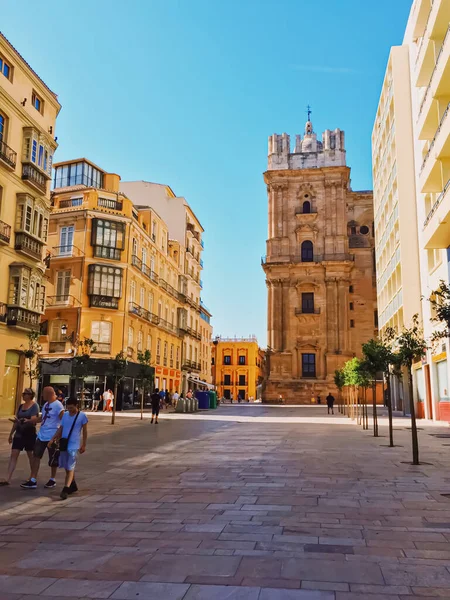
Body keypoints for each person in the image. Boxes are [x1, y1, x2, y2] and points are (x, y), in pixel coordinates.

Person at [21, 386, 64, 490]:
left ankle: (52, 479)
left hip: (52, 435)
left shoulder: (58, 405)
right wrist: (29, 421)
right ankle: (33, 479)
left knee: (53, 458)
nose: (42, 395)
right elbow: (42, 418)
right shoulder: (46, 405)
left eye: (44, 393)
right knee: (36, 456)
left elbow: (63, 421)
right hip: (42, 435)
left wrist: (58, 436)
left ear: (49, 393)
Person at [49, 397, 88, 500]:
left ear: (76, 406)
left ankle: (66, 489)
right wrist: (53, 438)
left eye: (72, 408)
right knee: (66, 466)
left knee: (70, 466)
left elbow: (84, 431)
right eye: (68, 408)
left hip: (74, 445)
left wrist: (83, 444)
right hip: (64, 443)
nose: (70, 410)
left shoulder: (82, 416)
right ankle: (72, 484)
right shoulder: (65, 415)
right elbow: (61, 428)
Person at [0, 389, 39, 486]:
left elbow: (35, 418)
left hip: (29, 433)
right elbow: (16, 421)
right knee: (14, 454)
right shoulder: (21, 406)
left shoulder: (34, 406)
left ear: (30, 395)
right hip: (19, 433)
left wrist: (27, 420)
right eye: (23, 394)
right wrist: (11, 434)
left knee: (31, 455)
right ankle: (7, 478)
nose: (23, 395)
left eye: (25, 394)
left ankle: (32, 476)